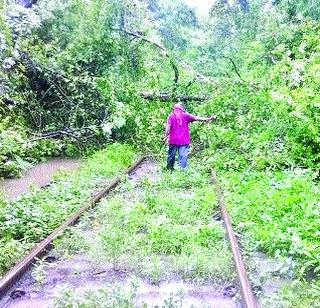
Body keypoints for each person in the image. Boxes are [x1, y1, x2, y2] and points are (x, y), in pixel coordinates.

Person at [165, 103, 216, 170]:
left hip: (173, 140)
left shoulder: (171, 116)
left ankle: (169, 169)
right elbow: (196, 118)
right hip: (183, 140)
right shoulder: (185, 115)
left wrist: (166, 136)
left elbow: (168, 127)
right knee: (183, 156)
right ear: (182, 109)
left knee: (171, 156)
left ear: (173, 109)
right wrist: (208, 119)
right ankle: (182, 171)